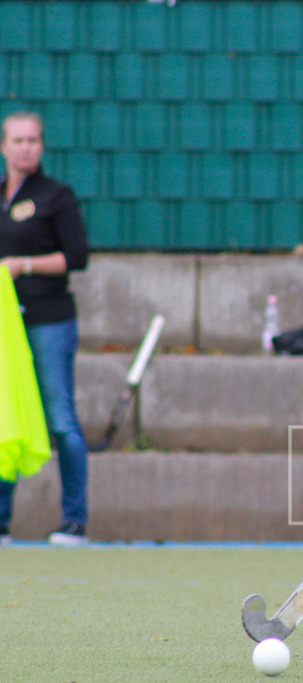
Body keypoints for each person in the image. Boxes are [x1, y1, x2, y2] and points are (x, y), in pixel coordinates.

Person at [0, 111, 91, 546]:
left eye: (33, 140)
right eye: (18, 140)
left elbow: (77, 256)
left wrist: (25, 265)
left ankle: (75, 521)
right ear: (4, 146)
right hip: (7, 328)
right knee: (7, 419)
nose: (26, 147)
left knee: (61, 419)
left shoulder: (57, 196)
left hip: (50, 321)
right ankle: (1, 519)